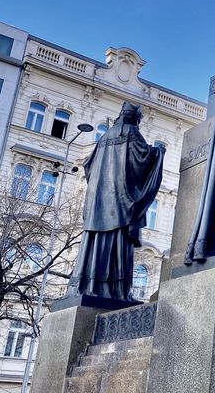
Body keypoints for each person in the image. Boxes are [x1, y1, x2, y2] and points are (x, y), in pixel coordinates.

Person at [67, 102, 164, 301]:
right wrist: (158, 152)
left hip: (98, 206)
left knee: (94, 247)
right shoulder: (132, 134)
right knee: (118, 246)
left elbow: (88, 166)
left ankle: (89, 285)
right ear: (135, 119)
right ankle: (116, 291)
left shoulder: (104, 137)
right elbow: (142, 160)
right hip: (119, 206)